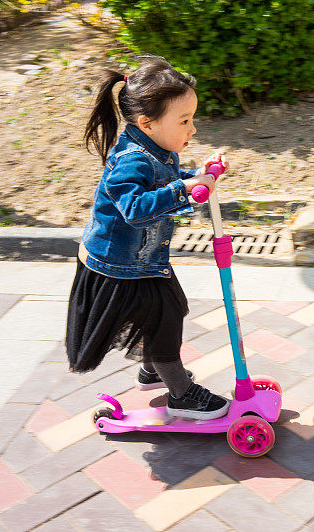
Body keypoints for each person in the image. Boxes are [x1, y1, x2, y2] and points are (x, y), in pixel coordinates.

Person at [65, 57, 230, 420]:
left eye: (192, 119)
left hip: (141, 261)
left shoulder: (156, 148)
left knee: (171, 311)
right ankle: (181, 394)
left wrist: (198, 175)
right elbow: (135, 209)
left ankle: (153, 370)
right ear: (147, 123)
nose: (193, 128)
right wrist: (184, 189)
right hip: (118, 264)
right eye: (184, 121)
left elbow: (164, 180)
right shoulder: (131, 160)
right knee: (164, 317)